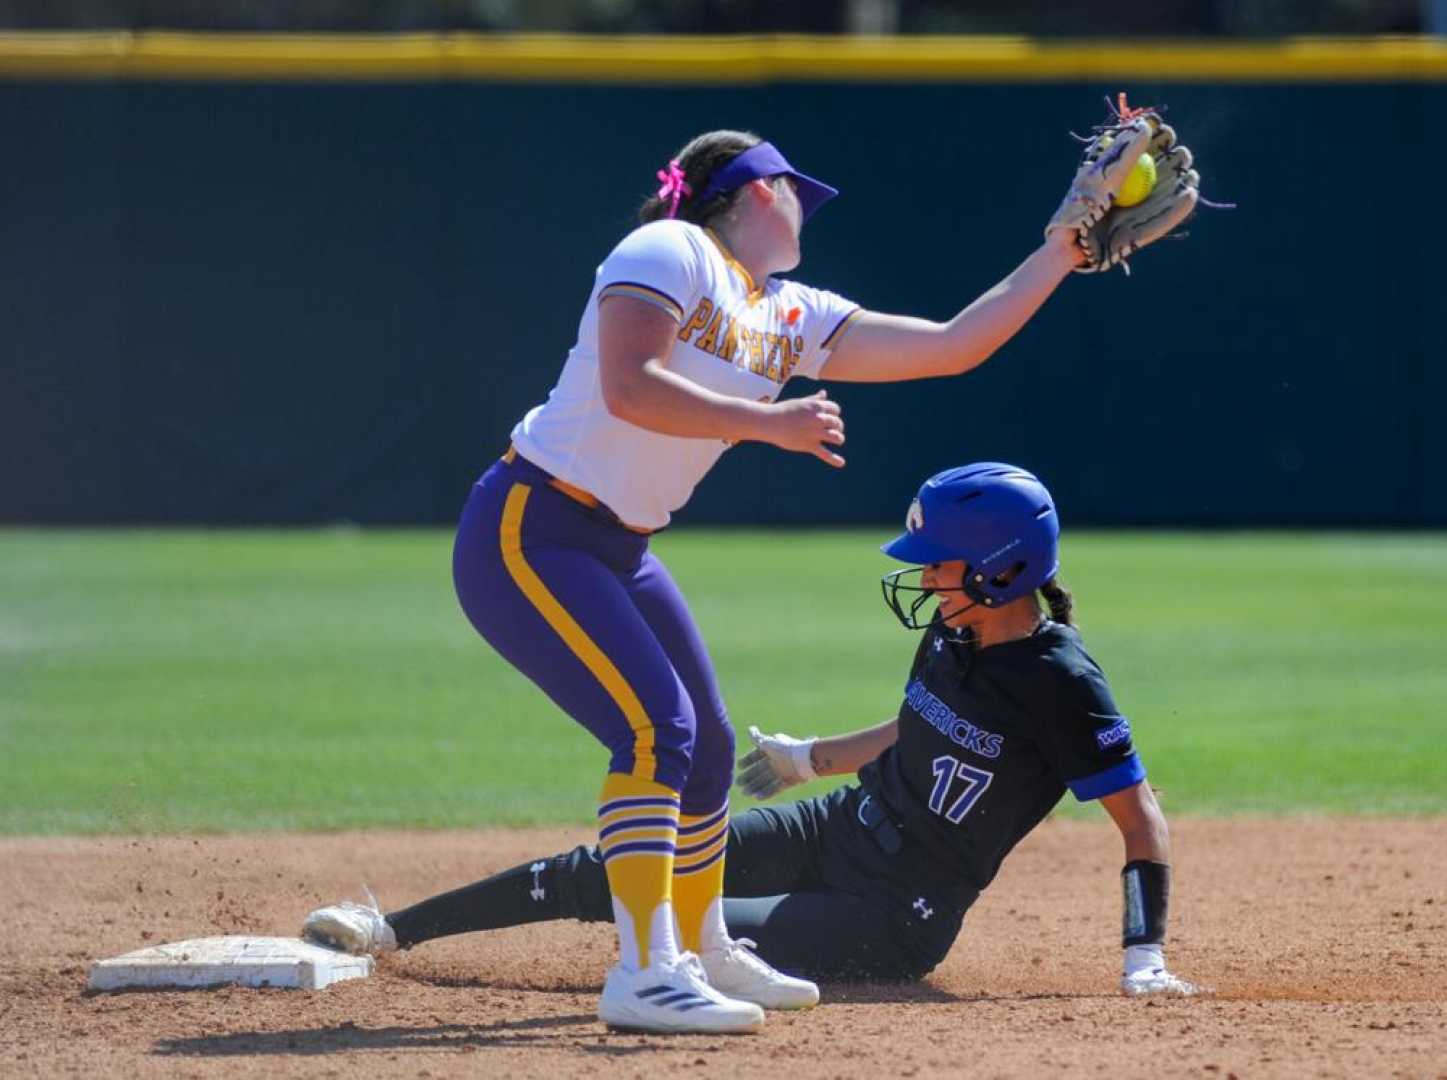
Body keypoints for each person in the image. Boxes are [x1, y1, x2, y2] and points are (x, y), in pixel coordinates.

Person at [373, 122, 1167, 1035]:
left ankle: (706, 950)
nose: (804, 209)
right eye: (796, 193)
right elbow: (631, 385)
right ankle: (644, 970)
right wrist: (768, 424)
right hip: (532, 526)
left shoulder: (785, 313)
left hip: (619, 546)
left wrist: (1060, 253)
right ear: (759, 191)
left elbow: (953, 344)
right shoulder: (668, 249)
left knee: (706, 745)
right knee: (654, 731)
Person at [306, 463, 1196, 999]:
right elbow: (921, 723)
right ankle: (392, 930)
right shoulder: (956, 628)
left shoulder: (1061, 683)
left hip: (889, 914)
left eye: (938, 565)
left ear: (1004, 570)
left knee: (683, 934)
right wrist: (814, 758)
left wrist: (1143, 956)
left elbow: (1139, 818)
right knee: (621, 866)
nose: (922, 579)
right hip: (836, 829)